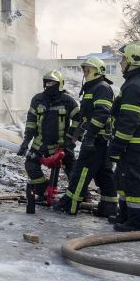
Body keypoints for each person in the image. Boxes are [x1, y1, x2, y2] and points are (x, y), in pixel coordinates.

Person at [54, 57, 118, 216]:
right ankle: (108, 207)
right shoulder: (93, 88)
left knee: (81, 171)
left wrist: (89, 136)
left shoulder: (101, 88)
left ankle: (70, 204)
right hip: (99, 140)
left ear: (98, 71)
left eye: (87, 69)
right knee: (103, 174)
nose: (84, 72)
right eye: (84, 69)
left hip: (96, 140)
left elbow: (102, 113)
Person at [107, 42, 140, 231]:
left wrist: (117, 146)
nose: (120, 62)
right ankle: (126, 214)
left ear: (133, 61)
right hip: (134, 142)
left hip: (132, 143)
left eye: (123, 59)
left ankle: (138, 221)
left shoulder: (135, 86)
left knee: (133, 180)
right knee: (122, 179)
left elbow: (128, 121)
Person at [18, 70, 80, 202]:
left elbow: (78, 120)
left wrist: (70, 140)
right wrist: (25, 142)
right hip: (40, 144)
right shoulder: (38, 99)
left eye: (52, 83)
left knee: (73, 171)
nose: (49, 85)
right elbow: (31, 122)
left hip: (62, 145)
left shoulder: (68, 101)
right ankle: (43, 190)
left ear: (60, 84)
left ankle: (80, 196)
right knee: (31, 166)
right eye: (47, 82)